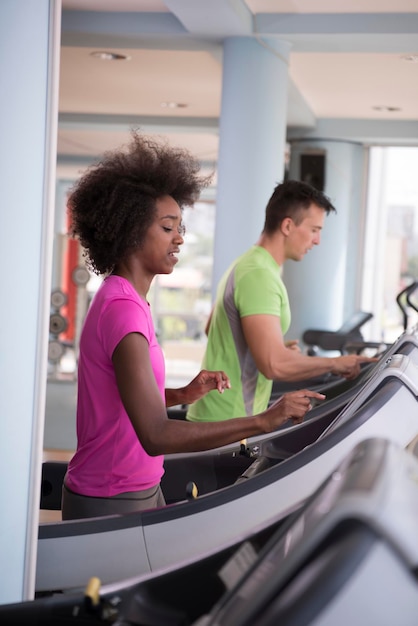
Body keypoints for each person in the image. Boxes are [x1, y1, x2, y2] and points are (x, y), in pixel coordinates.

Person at [61, 132, 324, 520]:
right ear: (131, 230)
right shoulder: (122, 309)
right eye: (168, 228)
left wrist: (182, 394)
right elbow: (154, 434)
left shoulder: (127, 299)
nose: (180, 238)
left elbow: (124, 399)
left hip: (138, 486)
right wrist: (262, 420)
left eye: (180, 227)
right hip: (111, 494)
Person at [186, 179, 379, 424]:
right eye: (314, 230)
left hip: (219, 417)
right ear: (288, 225)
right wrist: (335, 363)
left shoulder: (246, 264)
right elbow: (273, 365)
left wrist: (268, 345)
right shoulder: (259, 275)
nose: (318, 240)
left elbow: (212, 328)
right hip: (229, 421)